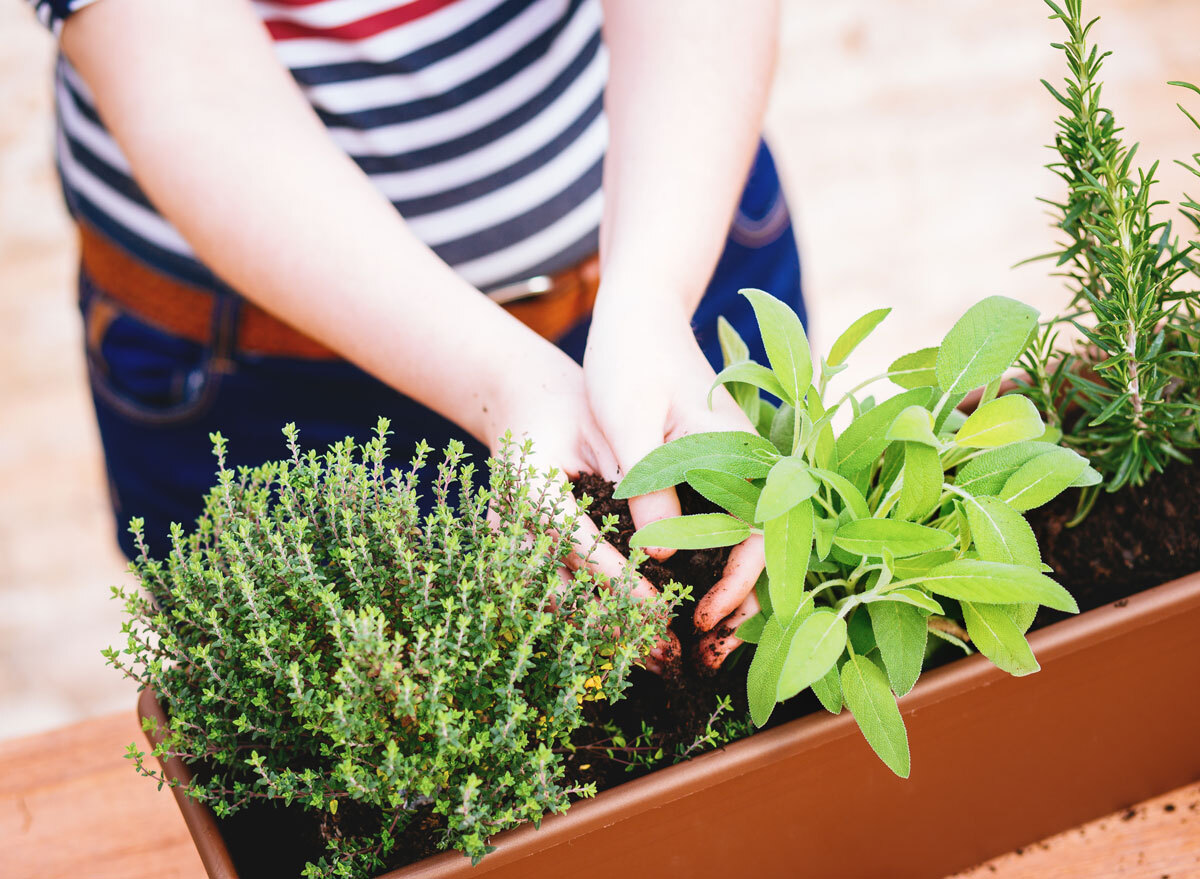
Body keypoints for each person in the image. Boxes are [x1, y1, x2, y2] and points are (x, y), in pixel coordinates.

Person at [28, 0, 805, 670]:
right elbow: (185, 77)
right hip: (269, 381)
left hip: (671, 229)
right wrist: (503, 378)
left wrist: (653, 296)